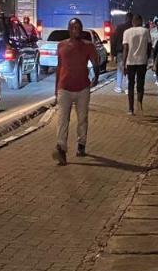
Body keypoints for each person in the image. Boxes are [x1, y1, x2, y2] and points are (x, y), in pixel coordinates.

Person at [52, 17, 101, 165]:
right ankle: (61, 148)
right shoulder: (61, 46)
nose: (76, 30)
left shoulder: (88, 46)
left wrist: (96, 77)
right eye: (73, 28)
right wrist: (56, 89)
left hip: (82, 88)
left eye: (78, 28)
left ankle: (81, 143)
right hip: (64, 88)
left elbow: (95, 63)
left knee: (82, 119)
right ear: (69, 29)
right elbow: (59, 67)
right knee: (62, 120)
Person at [121, 13, 152, 115]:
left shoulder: (127, 32)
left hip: (130, 61)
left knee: (130, 85)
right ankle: (139, 104)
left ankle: (130, 109)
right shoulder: (146, 31)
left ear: (133, 22)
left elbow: (125, 48)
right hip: (142, 61)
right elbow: (149, 47)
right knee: (140, 84)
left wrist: (124, 63)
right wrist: (147, 58)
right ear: (141, 21)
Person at [112, 11, 133, 94]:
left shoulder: (120, 27)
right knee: (130, 69)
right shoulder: (133, 28)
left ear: (126, 18)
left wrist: (113, 53)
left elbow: (114, 40)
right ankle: (128, 88)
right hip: (131, 51)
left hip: (120, 51)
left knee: (120, 69)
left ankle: (118, 87)